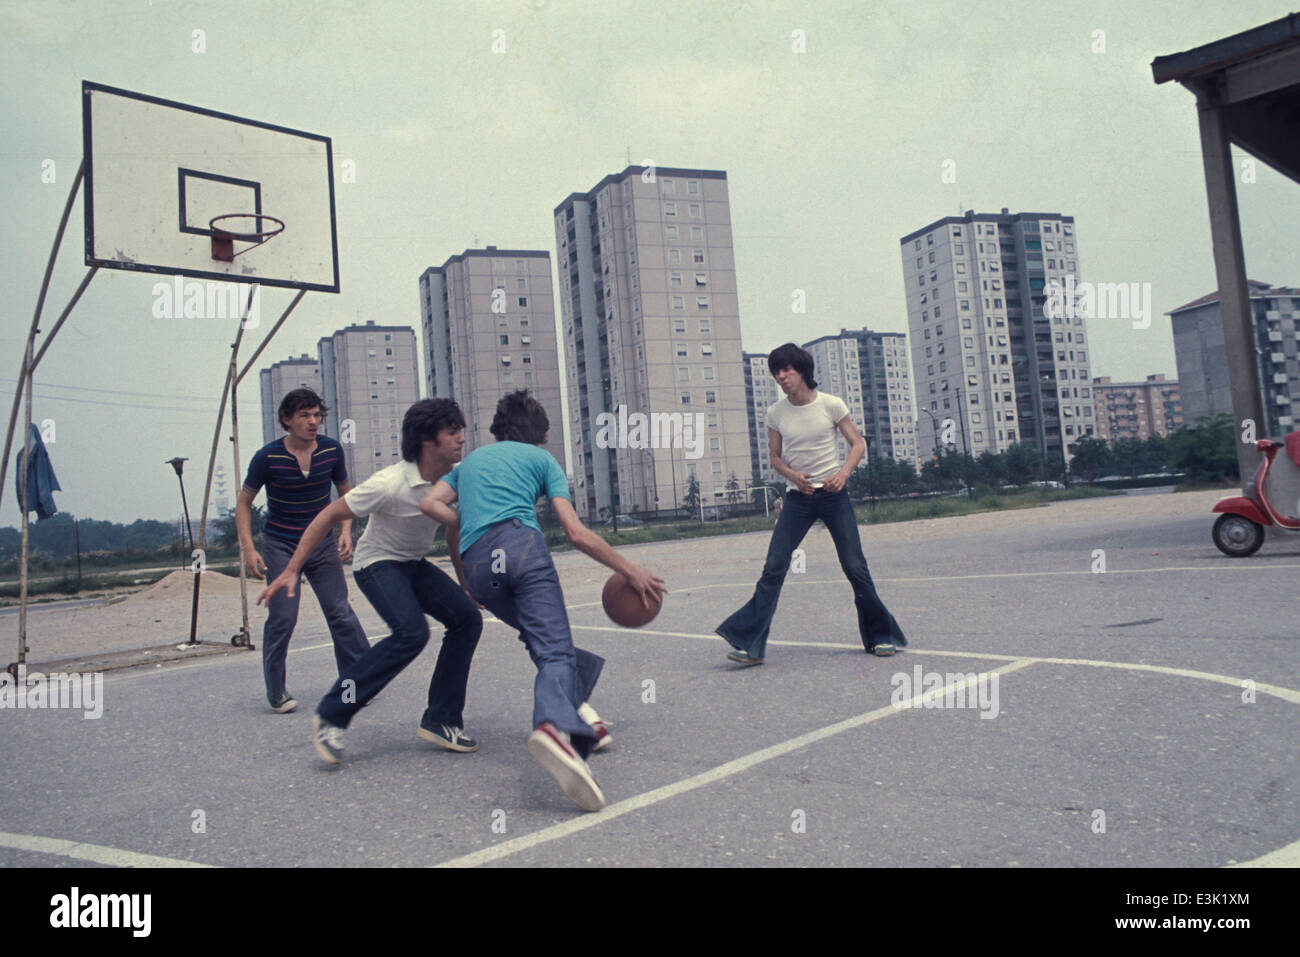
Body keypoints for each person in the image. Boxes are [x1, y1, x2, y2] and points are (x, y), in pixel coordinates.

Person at [421, 390, 666, 812]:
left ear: (499, 429)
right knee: (555, 652)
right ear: (540, 434)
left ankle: (579, 714)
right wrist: (630, 570)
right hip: (521, 548)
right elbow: (575, 533)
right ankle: (555, 728)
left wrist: (466, 572)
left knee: (543, 642)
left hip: (479, 567)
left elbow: (429, 504)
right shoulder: (542, 461)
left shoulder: (471, 463)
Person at [259, 398, 483, 765]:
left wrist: (464, 583)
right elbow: (328, 514)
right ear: (428, 440)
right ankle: (333, 712)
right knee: (411, 633)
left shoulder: (452, 482)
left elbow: (452, 530)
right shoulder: (390, 483)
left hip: (412, 562)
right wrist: (291, 569)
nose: (462, 438)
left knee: (467, 619)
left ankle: (442, 718)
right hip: (376, 564)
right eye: (453, 431)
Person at [716, 343, 907, 665]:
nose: (781, 377)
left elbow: (858, 443)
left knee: (855, 566)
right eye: (776, 372)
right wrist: (793, 475)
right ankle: (750, 644)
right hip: (798, 499)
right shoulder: (776, 413)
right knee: (773, 567)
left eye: (786, 370)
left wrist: (843, 473)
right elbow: (775, 458)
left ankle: (881, 637)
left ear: (802, 370)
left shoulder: (831, 405)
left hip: (834, 495)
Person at [238, 387, 369, 713]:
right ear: (287, 420)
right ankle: (277, 690)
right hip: (281, 544)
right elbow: (243, 503)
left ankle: (357, 681)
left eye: (316, 415)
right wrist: (249, 549)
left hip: (323, 543)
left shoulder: (331, 450)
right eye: (304, 416)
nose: (313, 422)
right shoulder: (267, 457)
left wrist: (346, 529)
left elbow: (344, 493)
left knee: (340, 612)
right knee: (283, 617)